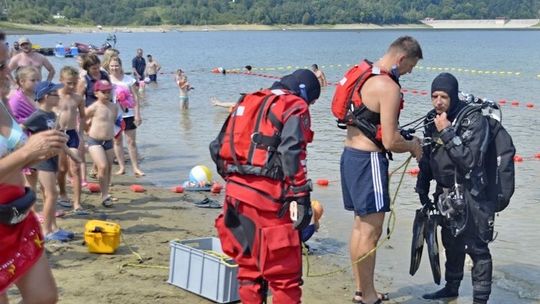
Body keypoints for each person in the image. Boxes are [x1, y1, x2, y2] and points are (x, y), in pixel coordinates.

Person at [213, 69, 320, 304]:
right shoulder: (294, 106)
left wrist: (237, 182)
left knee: (249, 271)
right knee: (285, 277)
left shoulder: (248, 100)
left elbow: (216, 147)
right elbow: (292, 153)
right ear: (305, 93)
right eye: (311, 100)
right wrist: (300, 196)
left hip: (235, 198)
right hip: (269, 202)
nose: (309, 104)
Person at [337, 36, 423, 304]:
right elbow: (390, 141)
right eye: (410, 67)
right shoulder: (388, 87)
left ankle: (361, 290)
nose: (409, 73)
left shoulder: (364, 74)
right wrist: (413, 147)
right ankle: (369, 295)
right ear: (401, 59)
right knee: (371, 231)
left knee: (359, 228)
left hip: (349, 156)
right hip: (369, 162)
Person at [415, 73, 495, 304]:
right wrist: (422, 187)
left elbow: (470, 160)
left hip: (473, 194)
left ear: (453, 95)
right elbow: (428, 157)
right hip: (445, 192)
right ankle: (451, 289)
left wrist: (448, 132)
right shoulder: (432, 119)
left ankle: (480, 300)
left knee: (477, 248)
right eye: (434, 96)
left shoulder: (472, 119)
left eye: (444, 96)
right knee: (451, 242)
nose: (438, 101)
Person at [0, 32, 65, 304]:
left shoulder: (1, 102)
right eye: (1, 65)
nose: (8, 71)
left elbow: (14, 155)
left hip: (16, 212)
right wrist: (28, 151)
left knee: (44, 297)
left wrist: (40, 150)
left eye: (5, 62)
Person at [22, 81, 74, 242]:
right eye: (55, 94)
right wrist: (29, 150)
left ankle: (53, 227)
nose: (59, 96)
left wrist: (72, 153)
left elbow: (56, 135)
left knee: (48, 194)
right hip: (42, 160)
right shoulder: (37, 116)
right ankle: (45, 231)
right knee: (52, 194)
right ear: (45, 96)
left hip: (53, 158)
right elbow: (21, 129)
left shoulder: (52, 115)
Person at [105, 56, 144, 177]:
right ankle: (122, 167)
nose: (114, 68)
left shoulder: (129, 80)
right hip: (114, 116)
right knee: (117, 141)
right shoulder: (107, 80)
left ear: (121, 66)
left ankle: (136, 167)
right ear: (108, 67)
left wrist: (138, 114)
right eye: (112, 66)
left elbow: (136, 97)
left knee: (131, 142)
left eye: (116, 65)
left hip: (129, 115)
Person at [56, 66, 86, 214]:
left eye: (75, 83)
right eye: (69, 83)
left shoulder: (78, 97)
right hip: (59, 134)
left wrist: (81, 134)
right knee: (62, 169)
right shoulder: (54, 96)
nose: (73, 86)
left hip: (72, 134)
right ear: (61, 81)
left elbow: (83, 116)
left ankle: (77, 203)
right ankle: (62, 194)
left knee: (75, 168)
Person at [84, 80, 118, 208]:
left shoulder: (114, 107)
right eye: (103, 92)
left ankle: (105, 192)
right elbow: (82, 119)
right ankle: (104, 195)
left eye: (109, 92)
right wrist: (87, 130)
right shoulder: (94, 107)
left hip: (109, 141)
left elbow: (112, 122)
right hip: (94, 141)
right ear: (96, 93)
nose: (107, 94)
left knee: (108, 169)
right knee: (102, 166)